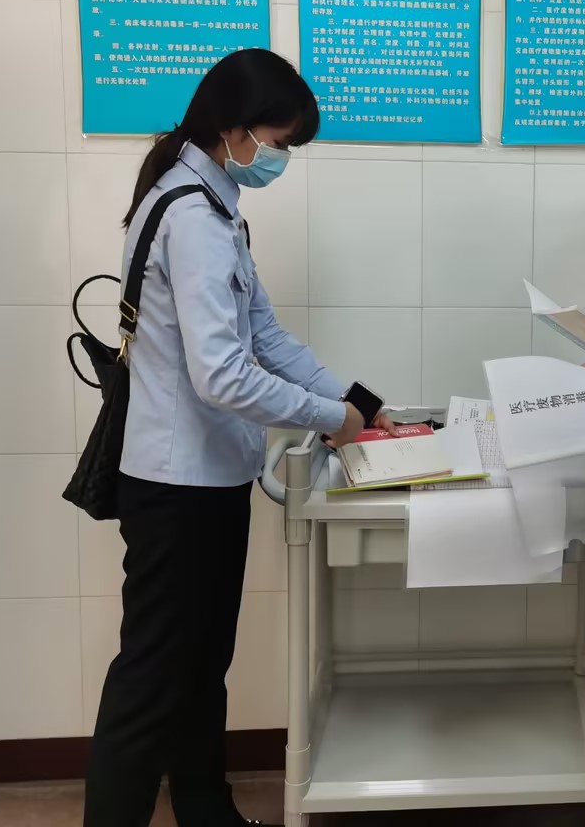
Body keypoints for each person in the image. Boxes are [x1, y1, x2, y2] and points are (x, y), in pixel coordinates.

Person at [84, 49, 389, 827]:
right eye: (279, 142)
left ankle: (207, 811)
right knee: (154, 676)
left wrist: (353, 399)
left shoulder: (214, 208)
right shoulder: (192, 218)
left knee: (198, 667)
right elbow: (222, 376)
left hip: (206, 480)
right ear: (233, 130)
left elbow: (264, 335)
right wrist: (332, 420)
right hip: (177, 488)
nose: (281, 158)